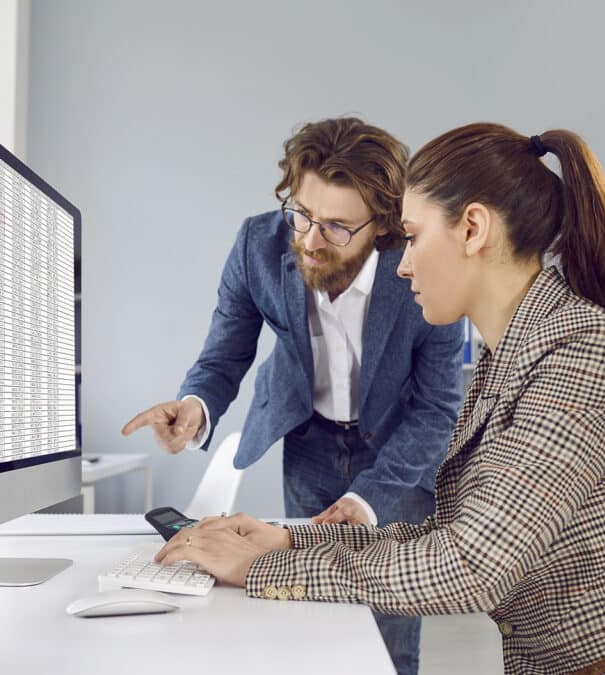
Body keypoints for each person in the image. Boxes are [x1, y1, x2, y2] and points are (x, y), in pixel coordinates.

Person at [152, 123, 605, 673]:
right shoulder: (515, 354)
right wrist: (288, 539)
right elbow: (455, 536)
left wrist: (265, 569)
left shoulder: (579, 355)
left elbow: (470, 569)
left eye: (412, 238)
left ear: (472, 228)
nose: (404, 265)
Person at [121, 118, 464, 675]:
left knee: (390, 631)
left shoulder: (424, 267)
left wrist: (368, 497)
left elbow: (437, 407)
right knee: (305, 606)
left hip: (397, 451)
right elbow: (224, 350)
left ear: (382, 226)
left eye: (335, 227)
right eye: (301, 213)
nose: (308, 239)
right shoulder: (258, 243)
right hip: (308, 442)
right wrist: (195, 406)